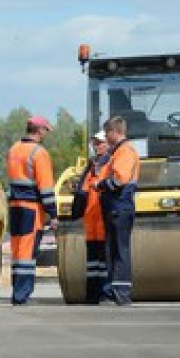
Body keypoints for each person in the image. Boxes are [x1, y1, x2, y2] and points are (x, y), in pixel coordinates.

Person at [6, 115, 58, 305]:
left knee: (18, 250)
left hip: (15, 206)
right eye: (45, 130)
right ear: (38, 130)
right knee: (28, 253)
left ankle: (16, 293)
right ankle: (22, 295)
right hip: (31, 207)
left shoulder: (14, 149)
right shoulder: (39, 152)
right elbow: (46, 187)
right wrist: (53, 213)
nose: (46, 134)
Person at [94, 116, 140, 306]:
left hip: (119, 206)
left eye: (107, 133)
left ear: (115, 132)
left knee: (119, 250)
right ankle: (115, 290)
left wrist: (101, 184)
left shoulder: (124, 152)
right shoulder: (119, 152)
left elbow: (119, 179)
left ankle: (120, 293)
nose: (105, 137)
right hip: (117, 206)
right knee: (114, 250)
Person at [79, 130, 110, 304]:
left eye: (99, 142)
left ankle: (105, 293)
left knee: (104, 261)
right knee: (92, 263)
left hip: (103, 218)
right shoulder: (92, 165)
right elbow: (83, 191)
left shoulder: (110, 164)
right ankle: (92, 294)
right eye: (94, 143)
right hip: (91, 220)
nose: (96, 146)